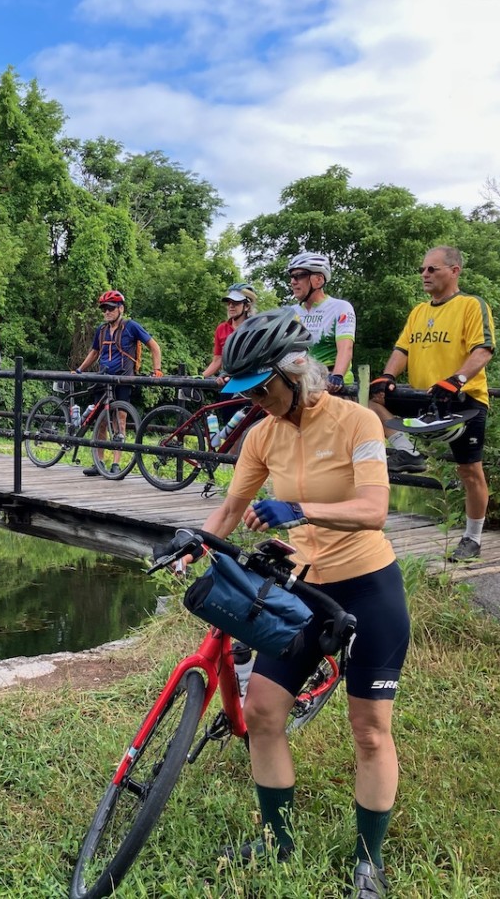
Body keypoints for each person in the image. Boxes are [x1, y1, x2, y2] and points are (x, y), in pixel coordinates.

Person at [185, 308, 405, 899]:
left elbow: (373, 510)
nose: (256, 401)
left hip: (367, 585)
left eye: (263, 388)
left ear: (294, 371)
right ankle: (277, 841)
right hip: (303, 592)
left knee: (370, 731)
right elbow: (231, 508)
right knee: (261, 713)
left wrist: (302, 510)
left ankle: (369, 862)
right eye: (248, 393)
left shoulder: (357, 422)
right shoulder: (262, 434)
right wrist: (195, 541)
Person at [368, 245, 496, 562]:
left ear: (454, 271)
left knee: (469, 471)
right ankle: (408, 452)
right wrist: (386, 376)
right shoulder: (418, 312)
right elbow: (403, 350)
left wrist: (457, 380)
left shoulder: (471, 305)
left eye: (432, 269)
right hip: (426, 399)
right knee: (373, 399)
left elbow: (484, 349)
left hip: (464, 400)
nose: (424, 274)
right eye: (422, 269)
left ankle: (473, 538)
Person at [73, 289, 162, 476]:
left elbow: (154, 346)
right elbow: (94, 352)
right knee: (101, 421)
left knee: (120, 420)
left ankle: (116, 463)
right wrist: (80, 370)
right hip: (103, 378)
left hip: (123, 378)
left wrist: (157, 370)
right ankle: (99, 462)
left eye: (111, 308)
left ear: (120, 308)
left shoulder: (131, 326)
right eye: (104, 309)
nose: (107, 312)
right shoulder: (102, 329)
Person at [284, 251, 355, 394]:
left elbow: (345, 348)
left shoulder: (340, 307)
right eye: (292, 277)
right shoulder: (290, 313)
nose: (293, 282)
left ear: (319, 280)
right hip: (304, 382)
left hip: (333, 383)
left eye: (299, 276)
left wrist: (337, 376)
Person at [201, 283, 257, 386]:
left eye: (236, 303)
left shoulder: (256, 328)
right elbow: (218, 360)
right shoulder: (221, 328)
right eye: (229, 303)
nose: (231, 306)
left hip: (251, 383)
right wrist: (201, 377)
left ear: (247, 306)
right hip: (228, 383)